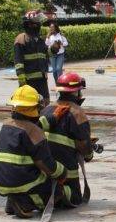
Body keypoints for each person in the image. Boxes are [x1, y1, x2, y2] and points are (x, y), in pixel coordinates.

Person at [0, 85, 67, 218]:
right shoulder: (35, 132)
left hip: (0, 179)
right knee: (56, 192)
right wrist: (62, 173)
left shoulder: (7, 124)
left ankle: (13, 200)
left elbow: (28, 126)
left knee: (21, 176)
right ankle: (26, 203)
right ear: (33, 108)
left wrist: (53, 118)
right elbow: (46, 164)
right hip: (21, 180)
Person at [40, 72, 94, 207]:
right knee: (75, 198)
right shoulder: (77, 113)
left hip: (44, 169)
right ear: (76, 93)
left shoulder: (46, 109)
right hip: (66, 172)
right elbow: (84, 144)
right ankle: (61, 193)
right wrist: (89, 154)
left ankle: (47, 193)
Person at [15, 11, 50, 105]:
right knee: (30, 104)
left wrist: (54, 50)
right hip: (29, 81)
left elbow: (45, 55)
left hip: (42, 81)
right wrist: (22, 79)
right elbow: (18, 61)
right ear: (30, 24)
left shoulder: (40, 40)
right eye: (37, 23)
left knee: (45, 104)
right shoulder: (21, 39)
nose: (39, 25)